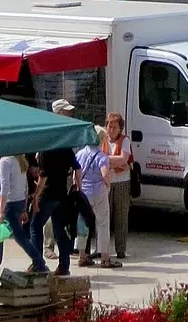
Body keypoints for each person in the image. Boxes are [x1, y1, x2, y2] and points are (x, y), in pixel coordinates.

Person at [32, 127, 80, 278]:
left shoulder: (47, 150)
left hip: (48, 194)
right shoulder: (66, 149)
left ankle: (38, 264)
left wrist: (35, 196)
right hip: (61, 194)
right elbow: (77, 168)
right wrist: (79, 187)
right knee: (59, 230)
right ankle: (64, 265)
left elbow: (43, 176)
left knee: (35, 226)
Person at [0, 153, 40, 279]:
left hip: (10, 204)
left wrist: (0, 211)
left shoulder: (5, 161)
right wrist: (24, 208)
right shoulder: (20, 160)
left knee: (4, 236)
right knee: (17, 237)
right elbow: (25, 186)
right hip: (19, 201)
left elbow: (4, 188)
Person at [74, 133, 114, 267]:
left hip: (84, 193)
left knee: (82, 223)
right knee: (102, 223)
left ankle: (82, 255)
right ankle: (104, 257)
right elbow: (105, 174)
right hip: (99, 193)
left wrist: (79, 188)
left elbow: (76, 175)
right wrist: (108, 184)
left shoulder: (80, 154)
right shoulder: (102, 157)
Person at [102, 114, 133, 260]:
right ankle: (103, 250)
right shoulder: (102, 139)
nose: (111, 129)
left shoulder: (124, 140)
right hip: (105, 182)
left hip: (121, 183)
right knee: (104, 217)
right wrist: (117, 162)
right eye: (108, 125)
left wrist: (104, 160)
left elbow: (124, 159)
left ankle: (121, 250)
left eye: (114, 126)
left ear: (120, 128)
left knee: (121, 217)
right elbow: (119, 161)